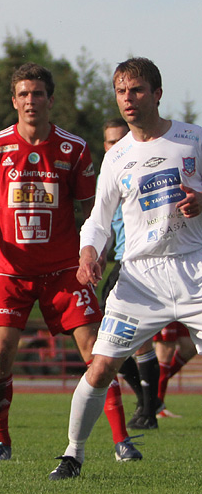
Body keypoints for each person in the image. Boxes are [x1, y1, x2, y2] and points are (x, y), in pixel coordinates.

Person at [0, 63, 139, 464]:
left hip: (64, 268)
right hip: (11, 268)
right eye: (24, 94)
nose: (31, 101)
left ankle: (121, 441)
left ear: (50, 99)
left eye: (38, 94)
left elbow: (89, 208)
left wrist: (90, 252)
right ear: (14, 101)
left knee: (97, 350)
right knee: (0, 353)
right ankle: (1, 441)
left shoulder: (73, 148)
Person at [49, 57, 202, 480]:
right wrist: (88, 253)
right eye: (121, 91)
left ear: (156, 93)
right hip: (140, 279)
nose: (128, 99)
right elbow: (98, 220)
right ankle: (73, 455)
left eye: (136, 90)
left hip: (195, 270)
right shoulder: (117, 157)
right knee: (100, 367)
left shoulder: (194, 139)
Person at [98, 118, 161, 430]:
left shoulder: (142, 170)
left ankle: (148, 409)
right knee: (111, 339)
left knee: (139, 342)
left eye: (119, 139)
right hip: (119, 264)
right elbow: (102, 223)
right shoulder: (111, 174)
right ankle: (148, 402)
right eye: (109, 141)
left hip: (142, 264)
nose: (115, 145)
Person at [154, 322, 195, 417]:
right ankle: (157, 406)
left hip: (184, 309)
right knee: (166, 348)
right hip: (167, 309)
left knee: (190, 346)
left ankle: (149, 387)